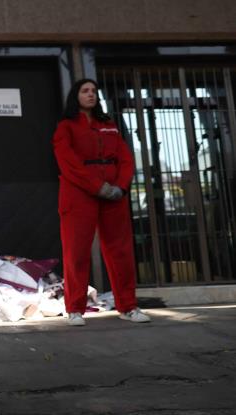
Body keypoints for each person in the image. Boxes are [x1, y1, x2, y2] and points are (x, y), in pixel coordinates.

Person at [51, 79, 151, 327]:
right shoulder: (66, 127)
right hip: (78, 195)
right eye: (85, 91)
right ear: (76, 96)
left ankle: (128, 306)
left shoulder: (109, 125)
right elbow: (69, 163)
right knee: (76, 251)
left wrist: (121, 186)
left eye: (94, 91)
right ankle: (74, 308)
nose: (91, 95)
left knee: (121, 251)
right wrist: (98, 187)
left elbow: (125, 159)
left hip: (113, 195)